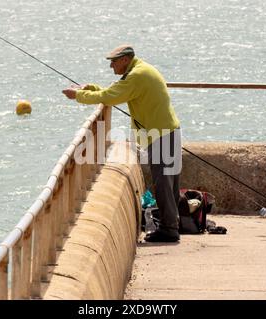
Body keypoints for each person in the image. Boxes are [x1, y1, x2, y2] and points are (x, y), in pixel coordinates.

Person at [62, 44, 182, 242]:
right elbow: (114, 92)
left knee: (163, 185)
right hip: (168, 131)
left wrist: (78, 96)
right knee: (169, 184)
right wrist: (89, 89)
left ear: (125, 60)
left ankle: (170, 230)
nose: (111, 67)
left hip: (161, 135)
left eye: (113, 62)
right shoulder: (140, 70)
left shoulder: (136, 76)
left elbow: (110, 97)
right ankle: (172, 224)